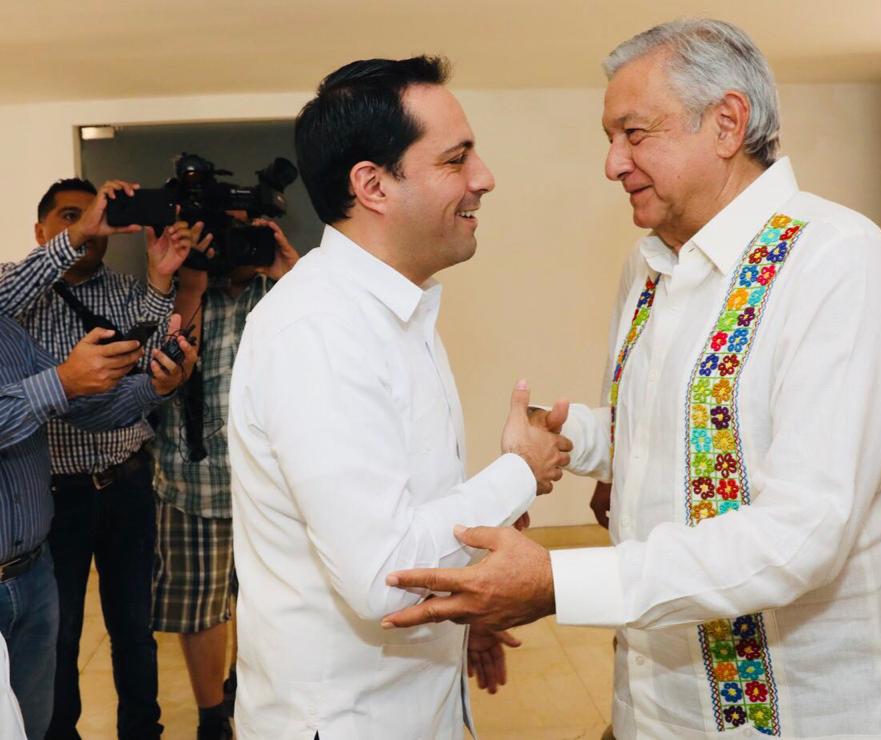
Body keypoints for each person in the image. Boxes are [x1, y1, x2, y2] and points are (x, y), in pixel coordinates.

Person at [382, 19, 881, 739]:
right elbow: (682, 429)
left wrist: (557, 583)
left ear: (727, 123)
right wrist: (569, 433)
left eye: (634, 134)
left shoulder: (837, 263)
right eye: (610, 138)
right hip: (653, 707)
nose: (613, 163)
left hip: (809, 715)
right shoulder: (650, 267)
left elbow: (804, 534)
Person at [227, 56, 571, 739]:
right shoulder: (318, 331)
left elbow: (399, 506)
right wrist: (519, 472)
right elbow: (386, 574)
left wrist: (465, 600)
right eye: (456, 159)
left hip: (413, 704)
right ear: (373, 185)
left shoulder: (394, 310)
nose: (485, 178)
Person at [0, 176, 196, 740]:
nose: (87, 230)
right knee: (60, 653)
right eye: (68, 218)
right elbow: (64, 391)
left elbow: (87, 403)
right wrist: (62, 380)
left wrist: (157, 387)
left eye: (92, 219)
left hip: (111, 491)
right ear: (41, 232)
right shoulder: (20, 298)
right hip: (59, 495)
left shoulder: (17, 334)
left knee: (132, 625)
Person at [150, 213, 298, 740]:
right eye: (223, 234)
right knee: (200, 609)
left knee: (269, 601)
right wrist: (189, 283)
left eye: (246, 234)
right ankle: (213, 717)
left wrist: (292, 274)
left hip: (276, 487)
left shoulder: (286, 294)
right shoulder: (174, 291)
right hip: (194, 478)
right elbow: (160, 368)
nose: (234, 247)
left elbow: (329, 352)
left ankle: (244, 688)